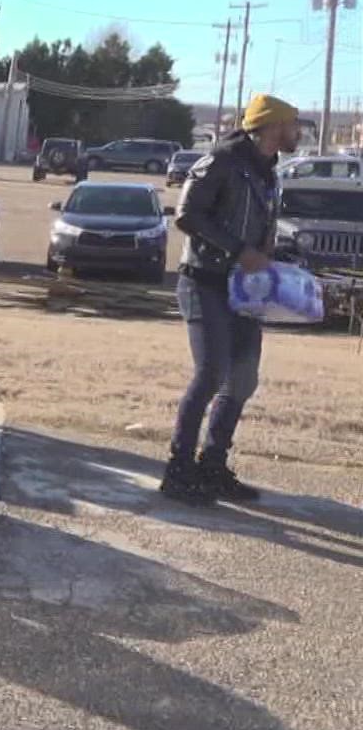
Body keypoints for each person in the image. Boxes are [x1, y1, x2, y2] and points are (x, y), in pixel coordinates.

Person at [160, 93, 298, 505]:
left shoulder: (268, 172)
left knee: (242, 378)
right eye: (292, 125)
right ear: (272, 126)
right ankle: (178, 470)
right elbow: (187, 214)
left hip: (244, 290)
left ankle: (212, 465)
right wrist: (239, 251)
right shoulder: (222, 160)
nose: (297, 133)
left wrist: (269, 260)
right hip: (204, 282)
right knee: (211, 373)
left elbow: (260, 227)